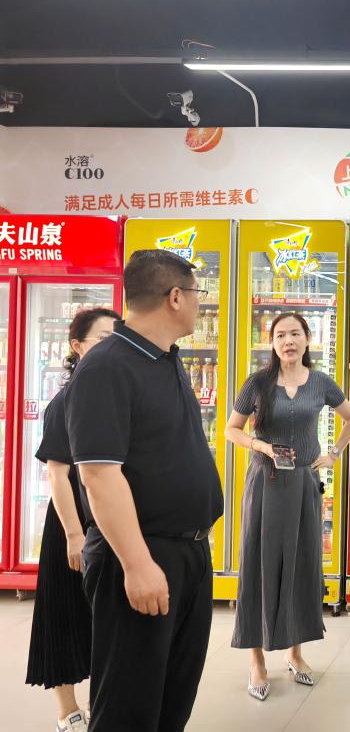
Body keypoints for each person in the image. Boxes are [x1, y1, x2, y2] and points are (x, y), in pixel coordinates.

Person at [65, 249, 224, 732]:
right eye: (196, 293)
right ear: (175, 297)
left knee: (173, 698)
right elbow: (99, 474)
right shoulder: (108, 366)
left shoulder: (166, 359)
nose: (199, 303)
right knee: (129, 706)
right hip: (141, 555)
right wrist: (137, 565)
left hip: (188, 553)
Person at [225, 311, 350, 700]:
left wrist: (333, 453)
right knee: (259, 563)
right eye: (281, 335)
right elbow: (231, 429)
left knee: (301, 563)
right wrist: (262, 446)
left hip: (303, 483)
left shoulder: (320, 382)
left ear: (307, 339)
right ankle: (256, 661)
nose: (288, 341)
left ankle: (295, 653)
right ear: (272, 342)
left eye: (295, 334)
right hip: (265, 482)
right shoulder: (258, 383)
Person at [26, 307, 119, 732]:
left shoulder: (116, 398)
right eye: (102, 338)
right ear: (77, 346)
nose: (111, 346)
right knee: (65, 612)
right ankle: (67, 708)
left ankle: (104, 700)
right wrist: (73, 535)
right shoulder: (66, 401)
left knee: (104, 618)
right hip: (74, 522)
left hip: (110, 520)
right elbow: (57, 474)